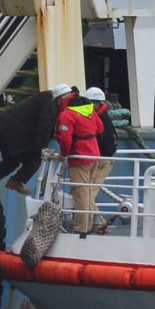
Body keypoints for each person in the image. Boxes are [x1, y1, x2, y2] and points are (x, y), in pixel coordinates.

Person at [0, 84, 75, 196]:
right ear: (61, 98)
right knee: (35, 158)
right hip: (14, 131)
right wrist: (43, 147)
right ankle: (15, 181)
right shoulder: (50, 103)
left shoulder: (48, 98)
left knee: (11, 161)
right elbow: (46, 124)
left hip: (7, 126)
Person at [56, 87, 104, 235]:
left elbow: (65, 139)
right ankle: (88, 226)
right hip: (94, 155)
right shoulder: (90, 111)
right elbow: (100, 129)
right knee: (88, 192)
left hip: (80, 157)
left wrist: (64, 154)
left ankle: (80, 228)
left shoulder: (67, 115)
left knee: (81, 192)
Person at [83, 87, 117, 230]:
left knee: (89, 193)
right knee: (88, 192)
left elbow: (101, 141)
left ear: (97, 104)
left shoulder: (101, 119)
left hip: (102, 161)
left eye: (90, 103)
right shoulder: (101, 117)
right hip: (99, 159)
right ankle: (98, 223)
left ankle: (91, 224)